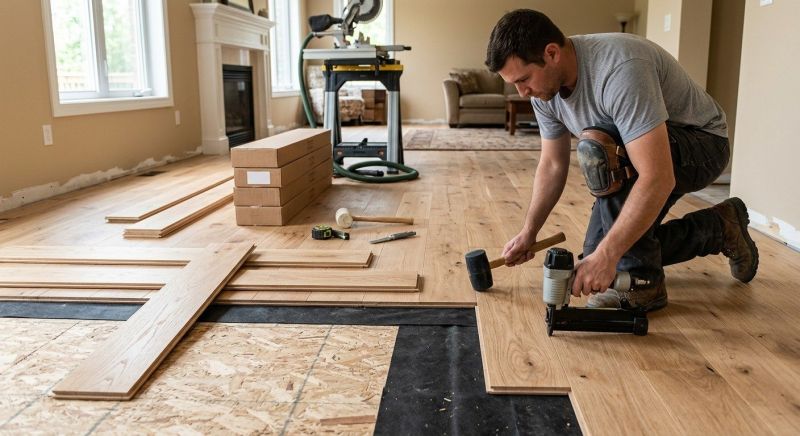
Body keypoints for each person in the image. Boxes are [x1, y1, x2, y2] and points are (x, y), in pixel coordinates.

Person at [485, 9, 758, 310]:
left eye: (523, 79)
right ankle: (721, 227)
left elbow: (657, 176)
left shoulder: (620, 67)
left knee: (605, 153)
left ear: (551, 53)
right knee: (595, 251)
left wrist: (609, 257)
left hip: (702, 145)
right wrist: (529, 232)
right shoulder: (543, 93)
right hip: (637, 154)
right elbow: (552, 165)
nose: (522, 93)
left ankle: (644, 283)